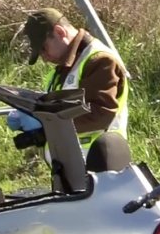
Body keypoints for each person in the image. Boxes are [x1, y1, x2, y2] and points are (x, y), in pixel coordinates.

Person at [11, 9, 129, 159]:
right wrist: (31, 112)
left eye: (44, 49)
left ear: (60, 32)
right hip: (74, 165)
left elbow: (99, 115)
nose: (45, 59)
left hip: (100, 162)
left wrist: (45, 124)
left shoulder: (100, 61)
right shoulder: (64, 68)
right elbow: (59, 109)